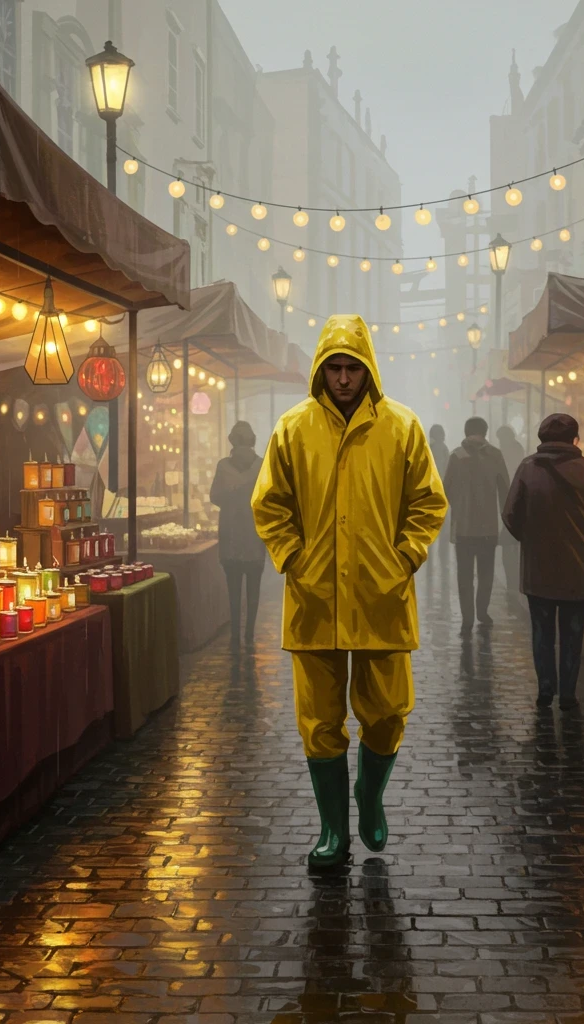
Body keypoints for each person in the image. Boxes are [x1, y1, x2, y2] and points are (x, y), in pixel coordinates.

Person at [252, 314, 447, 868]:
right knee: (318, 720)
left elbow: (428, 501)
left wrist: (404, 557)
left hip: (382, 594)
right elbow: (269, 503)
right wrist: (294, 557)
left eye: (352, 368)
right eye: (334, 368)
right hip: (314, 597)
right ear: (321, 369)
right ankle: (333, 829)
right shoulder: (293, 428)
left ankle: (370, 793)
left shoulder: (401, 427)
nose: (342, 378)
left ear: (368, 370)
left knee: (387, 711)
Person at [503, 413, 584, 711]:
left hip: (538, 569)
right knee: (573, 635)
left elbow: (510, 513)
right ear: (573, 439)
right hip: (578, 569)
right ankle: (568, 694)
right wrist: (583, 535)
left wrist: (530, 539)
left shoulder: (527, 467)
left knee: (542, 632)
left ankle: (545, 690)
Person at [443, 417, 510, 637]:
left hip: (463, 528)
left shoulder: (456, 456)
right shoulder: (496, 455)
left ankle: (467, 618)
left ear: (466, 432)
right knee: (486, 573)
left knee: (464, 575)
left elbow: (445, 491)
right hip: (488, 527)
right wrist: (506, 521)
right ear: (485, 432)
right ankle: (482, 611)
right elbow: (505, 490)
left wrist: (457, 508)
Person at [210, 422, 265, 650]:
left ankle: (235, 634)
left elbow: (214, 496)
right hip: (255, 536)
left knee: (233, 591)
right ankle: (249, 633)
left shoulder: (223, 466)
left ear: (232, 441)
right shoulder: (261, 465)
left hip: (230, 537)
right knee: (253, 591)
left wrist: (231, 498)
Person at [494, 424, 525, 600]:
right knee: (512, 544)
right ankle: (515, 582)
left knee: (508, 543)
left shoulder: (506, 451)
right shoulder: (517, 449)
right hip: (515, 498)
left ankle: (512, 583)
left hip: (510, 499)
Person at [428, 425, 451, 566]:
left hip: (431, 490)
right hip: (443, 490)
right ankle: (443, 551)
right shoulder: (444, 449)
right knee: (444, 522)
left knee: (430, 521)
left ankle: (430, 549)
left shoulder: (429, 448)